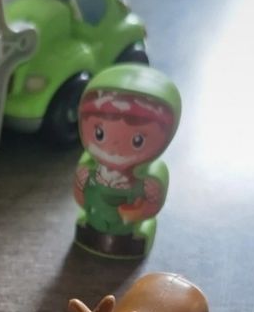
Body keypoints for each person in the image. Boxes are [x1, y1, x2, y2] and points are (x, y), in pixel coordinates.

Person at [74, 64, 181, 258]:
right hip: (93, 221)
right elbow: (81, 198)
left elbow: (152, 208)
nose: (114, 148)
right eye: (100, 134)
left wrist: (151, 197)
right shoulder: (90, 167)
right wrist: (80, 185)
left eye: (137, 140)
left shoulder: (149, 176)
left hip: (128, 231)